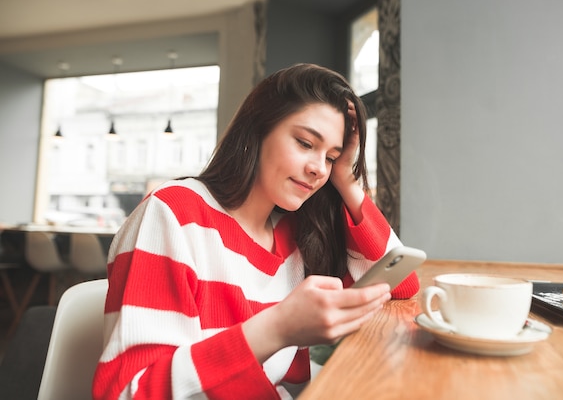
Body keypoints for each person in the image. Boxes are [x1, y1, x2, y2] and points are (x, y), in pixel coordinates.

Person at [92, 63, 419, 400]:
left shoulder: (296, 237)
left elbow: (401, 285)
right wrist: (277, 329)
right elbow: (129, 392)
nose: (318, 168)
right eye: (306, 143)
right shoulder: (173, 214)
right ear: (258, 130)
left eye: (331, 156)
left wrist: (348, 183)